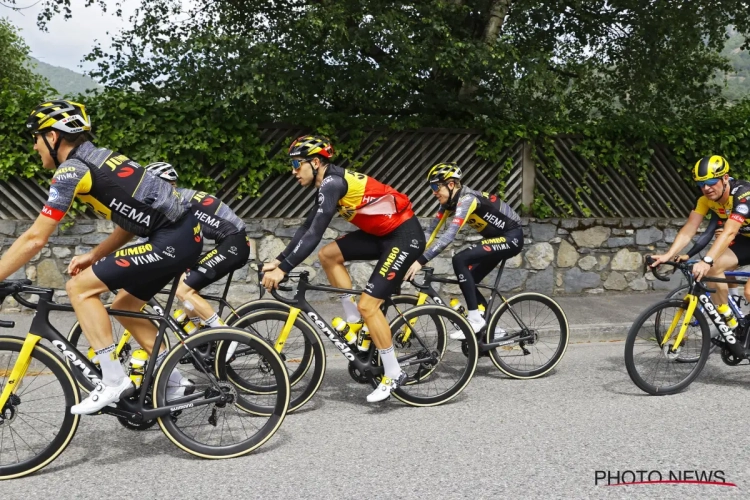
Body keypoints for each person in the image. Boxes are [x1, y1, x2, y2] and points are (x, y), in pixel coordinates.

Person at [0, 100, 202, 414]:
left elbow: (35, 237)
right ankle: (175, 381)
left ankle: (113, 379)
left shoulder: (72, 171)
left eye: (35, 138)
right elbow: (130, 223)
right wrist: (94, 254)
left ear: (53, 137)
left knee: (79, 288)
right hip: (180, 236)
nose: (35, 146)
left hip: (172, 239)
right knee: (124, 306)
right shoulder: (99, 158)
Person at [261, 135, 425, 402]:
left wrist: (285, 269)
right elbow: (306, 227)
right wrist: (279, 261)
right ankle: (354, 323)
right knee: (328, 255)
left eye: (296, 163)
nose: (293, 171)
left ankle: (393, 372)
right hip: (381, 236)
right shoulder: (327, 183)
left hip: (403, 237)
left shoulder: (333, 183)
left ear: (315, 162)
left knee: (369, 305)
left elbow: (315, 233)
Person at [404, 162, 523, 339]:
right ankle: (491, 328)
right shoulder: (448, 204)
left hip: (512, 237)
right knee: (468, 279)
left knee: (460, 259)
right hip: (496, 239)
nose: (433, 192)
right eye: (432, 187)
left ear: (451, 185)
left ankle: (475, 319)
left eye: (436, 186)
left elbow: (449, 235)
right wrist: (410, 256)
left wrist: (421, 262)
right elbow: (431, 233)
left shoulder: (467, 199)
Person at [146, 162, 250, 333]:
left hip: (233, 243)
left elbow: (155, 240)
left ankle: (227, 337)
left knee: (184, 291)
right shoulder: (178, 196)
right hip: (232, 242)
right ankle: (200, 336)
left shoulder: (174, 202)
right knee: (183, 282)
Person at [650, 155, 750, 329]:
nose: (706, 188)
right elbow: (689, 229)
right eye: (701, 184)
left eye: (711, 181)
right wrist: (668, 255)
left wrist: (706, 260)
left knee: (749, 291)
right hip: (747, 240)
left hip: (739, 235)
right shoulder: (706, 201)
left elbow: (730, 231)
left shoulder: (743, 194)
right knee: (713, 270)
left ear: (725, 178)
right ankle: (732, 325)